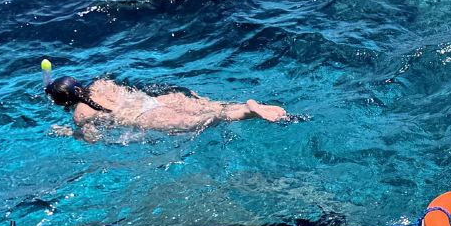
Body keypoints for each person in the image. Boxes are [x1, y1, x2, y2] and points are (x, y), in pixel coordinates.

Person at [43, 61, 294, 138]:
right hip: (162, 100)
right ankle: (250, 107)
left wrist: (68, 132)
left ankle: (251, 111)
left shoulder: (81, 114)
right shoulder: (101, 84)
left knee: (210, 120)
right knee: (216, 107)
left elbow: (93, 139)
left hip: (149, 116)